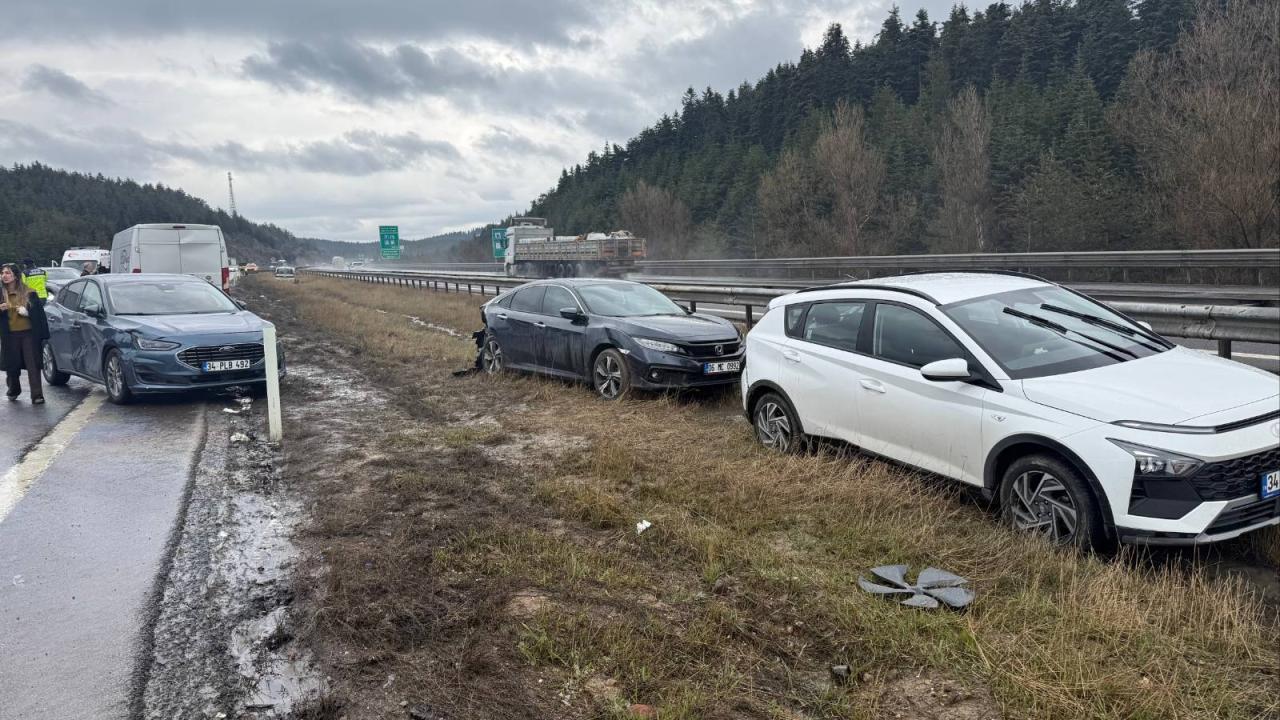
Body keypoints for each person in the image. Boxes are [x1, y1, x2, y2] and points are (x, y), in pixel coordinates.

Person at [0, 264, 49, 404]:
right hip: (9, 336)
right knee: (12, 365)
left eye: (8, 273)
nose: (4, 275)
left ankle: (37, 395)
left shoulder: (29, 292)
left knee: (33, 364)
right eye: (2, 273)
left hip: (28, 334)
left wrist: (28, 313)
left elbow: (39, 314)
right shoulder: (1, 294)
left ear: (15, 275)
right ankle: (14, 389)